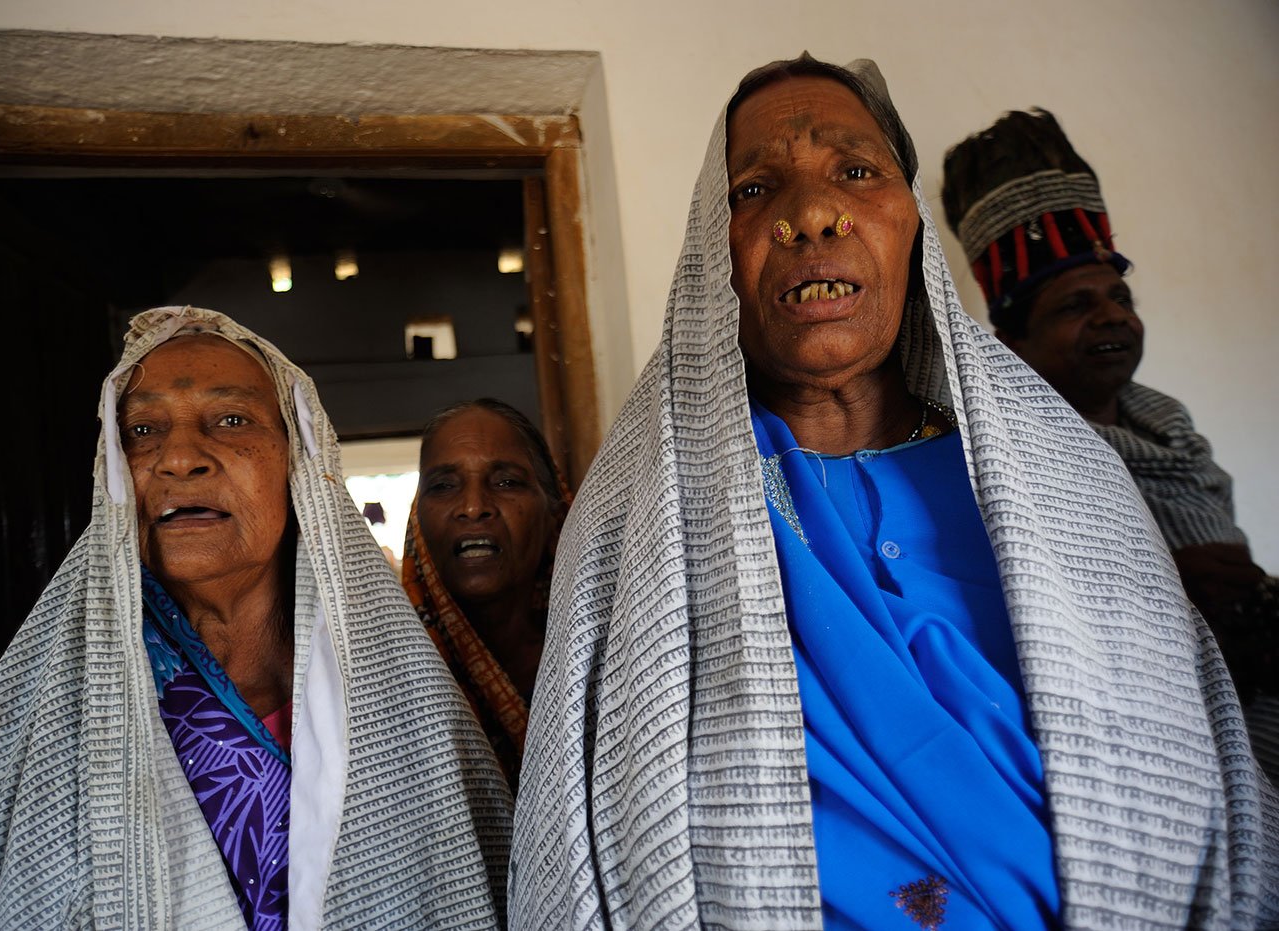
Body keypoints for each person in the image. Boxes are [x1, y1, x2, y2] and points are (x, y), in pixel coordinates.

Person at [510, 55, 1279, 930]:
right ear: (707, 247)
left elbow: (1216, 802)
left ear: (910, 223)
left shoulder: (1070, 485)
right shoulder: (634, 519)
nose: (811, 213)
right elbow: (580, 858)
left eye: (855, 171)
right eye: (756, 189)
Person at [0, 306, 511, 928]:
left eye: (231, 419)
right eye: (142, 431)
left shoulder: (406, 703)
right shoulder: (21, 729)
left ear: (299, 465)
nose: (179, 458)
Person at [941, 108, 1277, 752]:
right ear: (1012, 339)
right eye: (1076, 305)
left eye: (1120, 299)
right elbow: (1027, 620)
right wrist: (1169, 594)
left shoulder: (1174, 432)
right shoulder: (1010, 453)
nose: (1110, 317)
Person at [403, 398, 569, 791]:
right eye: (444, 486)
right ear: (418, 524)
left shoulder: (604, 661)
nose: (474, 507)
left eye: (506, 482)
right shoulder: (385, 680)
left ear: (554, 512)